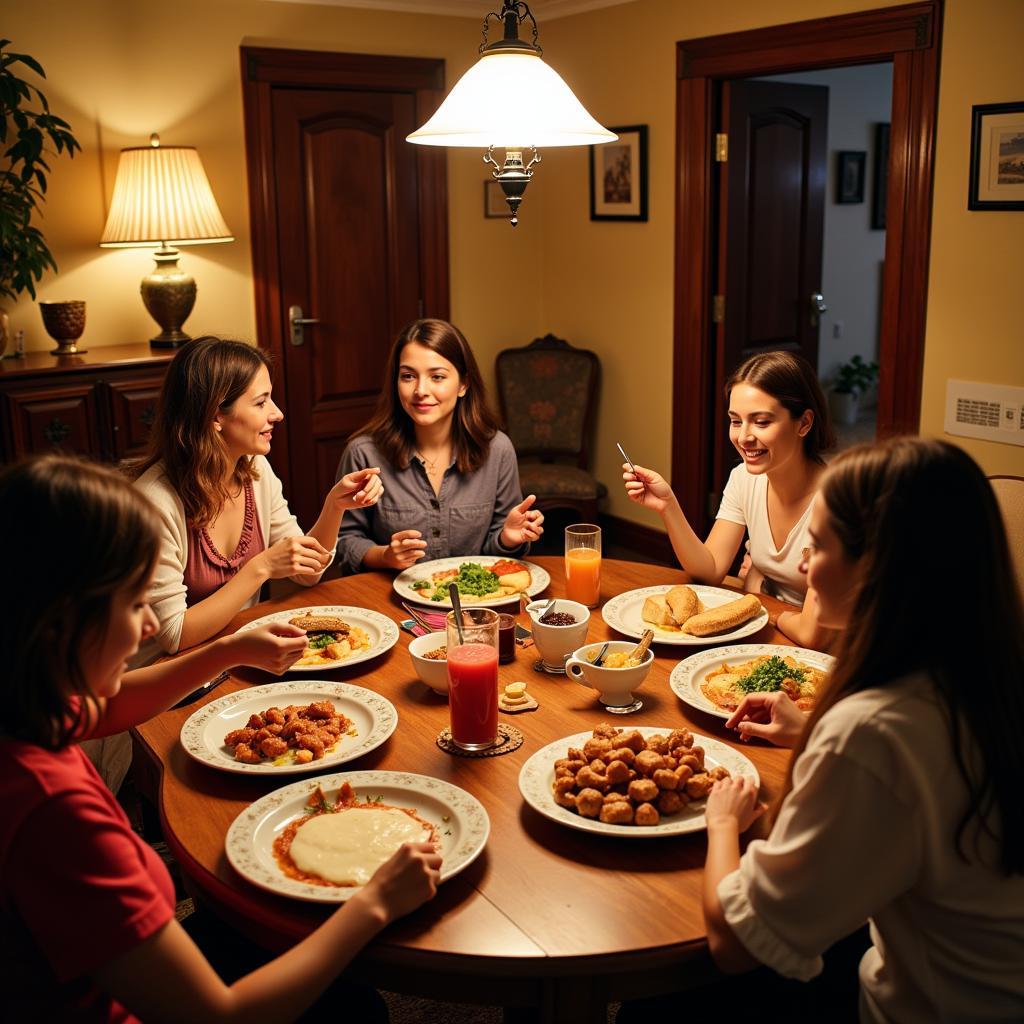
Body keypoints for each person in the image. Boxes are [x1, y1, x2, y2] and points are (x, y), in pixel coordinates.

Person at [0, 455, 441, 1021]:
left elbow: (104, 708)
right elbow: (220, 1016)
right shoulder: (55, 810)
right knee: (356, 1010)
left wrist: (227, 650)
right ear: (63, 622)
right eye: (134, 605)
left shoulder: (25, 700)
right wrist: (375, 904)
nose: (153, 627)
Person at [702, 438, 1024, 1021]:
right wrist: (808, 734)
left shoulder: (871, 730)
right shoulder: (987, 673)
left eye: (818, 546)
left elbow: (736, 944)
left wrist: (723, 823)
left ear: (878, 567)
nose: (802, 565)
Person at [133, 336, 383, 660]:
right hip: (166, 682)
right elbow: (173, 634)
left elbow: (308, 573)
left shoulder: (254, 470)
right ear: (215, 416)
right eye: (261, 402)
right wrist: (261, 567)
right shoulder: (154, 503)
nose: (277, 413)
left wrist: (335, 506)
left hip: (235, 658)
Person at [622, 350, 835, 648]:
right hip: (775, 632)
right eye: (736, 421)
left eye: (761, 422)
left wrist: (761, 603)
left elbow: (814, 634)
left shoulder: (838, 502)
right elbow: (709, 570)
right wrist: (667, 505)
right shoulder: (744, 478)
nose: (744, 437)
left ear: (804, 423)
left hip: (835, 653)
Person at [334, 318, 544, 574]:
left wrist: (507, 538)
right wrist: (385, 556)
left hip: (474, 604)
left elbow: (495, 555)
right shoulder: (363, 453)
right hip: (391, 601)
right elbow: (343, 542)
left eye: (437, 377)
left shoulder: (497, 449)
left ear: (463, 384)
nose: (421, 390)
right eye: (408, 376)